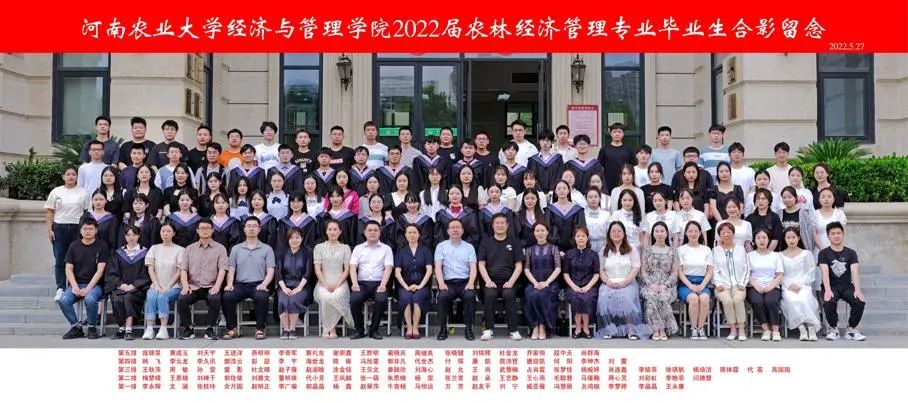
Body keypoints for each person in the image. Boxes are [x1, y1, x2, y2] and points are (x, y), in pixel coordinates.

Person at [222, 216, 276, 340]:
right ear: (244, 229)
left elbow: (270, 270)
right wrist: (229, 283)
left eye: (254, 226)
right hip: (240, 285)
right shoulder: (236, 249)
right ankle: (232, 329)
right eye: (249, 226)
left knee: (262, 296)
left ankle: (260, 329)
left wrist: (264, 284)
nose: (251, 229)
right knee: (227, 296)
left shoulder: (267, 249)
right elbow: (231, 269)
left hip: (259, 284)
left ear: (259, 229)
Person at [177, 218, 228, 340]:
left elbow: (223, 269)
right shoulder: (189, 248)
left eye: (207, 228)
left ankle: (210, 329)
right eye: (202, 228)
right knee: (182, 299)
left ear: (213, 230)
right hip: (193, 286)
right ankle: (189, 329)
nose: (205, 230)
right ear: (197, 231)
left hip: (211, 285)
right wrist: (185, 286)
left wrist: (217, 286)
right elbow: (183, 269)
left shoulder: (220, 248)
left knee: (215, 298)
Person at [596, 221, 649, 340]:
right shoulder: (604, 250)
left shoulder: (632, 249)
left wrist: (624, 282)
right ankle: (609, 328)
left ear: (624, 233)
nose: (616, 233)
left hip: (628, 282)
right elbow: (601, 269)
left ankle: (631, 329)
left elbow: (636, 267)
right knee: (604, 297)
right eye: (613, 231)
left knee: (625, 297)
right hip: (609, 282)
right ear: (609, 234)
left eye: (619, 231)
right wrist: (607, 281)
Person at [59, 218, 109, 340]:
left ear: (96, 230)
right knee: (63, 300)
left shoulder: (102, 246)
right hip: (77, 284)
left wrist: (88, 288)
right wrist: (74, 286)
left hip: (95, 286)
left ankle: (92, 327)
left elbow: (100, 270)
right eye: (85, 229)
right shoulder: (74, 246)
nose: (88, 231)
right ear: (80, 230)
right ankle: (76, 327)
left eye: (91, 228)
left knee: (90, 299)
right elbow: (68, 269)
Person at [477, 213, 525, 341]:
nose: (500, 225)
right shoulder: (485, 242)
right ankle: (489, 329)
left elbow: (519, 266)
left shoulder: (514, 242)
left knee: (509, 294)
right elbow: (481, 264)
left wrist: (511, 281)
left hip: (509, 281)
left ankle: (513, 330)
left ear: (507, 225)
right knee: (489, 295)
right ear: (492, 225)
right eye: (497, 223)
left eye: (502, 223)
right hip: (491, 282)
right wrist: (488, 281)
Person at [46, 165, 90, 300]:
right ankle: (60, 287)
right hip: (59, 227)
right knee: (60, 259)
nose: (71, 177)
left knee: (76, 258)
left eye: (73, 174)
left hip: (77, 228)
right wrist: (49, 230)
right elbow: (50, 212)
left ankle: (73, 286)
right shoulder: (56, 192)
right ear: (63, 176)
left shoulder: (83, 192)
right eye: (68, 174)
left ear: (77, 176)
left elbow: (86, 212)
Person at [818, 222, 866, 341]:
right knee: (829, 301)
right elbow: (824, 272)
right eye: (833, 233)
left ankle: (851, 329)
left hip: (847, 286)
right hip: (831, 286)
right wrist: (827, 290)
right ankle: (833, 328)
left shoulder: (851, 253)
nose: (836, 236)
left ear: (843, 234)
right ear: (828, 236)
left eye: (838, 233)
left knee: (859, 301)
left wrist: (857, 290)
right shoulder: (823, 253)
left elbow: (854, 272)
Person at [349, 221, 394, 340]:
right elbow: (352, 267)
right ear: (364, 232)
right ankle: (359, 330)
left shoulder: (386, 249)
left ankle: (374, 330)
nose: (372, 232)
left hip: (379, 283)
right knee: (354, 300)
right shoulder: (358, 248)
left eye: (375, 230)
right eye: (370, 230)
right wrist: (354, 283)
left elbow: (388, 268)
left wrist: (383, 285)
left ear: (380, 232)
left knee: (381, 299)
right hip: (362, 284)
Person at [434, 219, 478, 341]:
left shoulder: (469, 247)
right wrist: (441, 283)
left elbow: (473, 267)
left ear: (462, 230)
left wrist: (471, 283)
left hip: (465, 282)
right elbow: (438, 267)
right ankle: (443, 329)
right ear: (448, 231)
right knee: (443, 297)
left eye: (458, 227)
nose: (455, 230)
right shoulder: (441, 246)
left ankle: (469, 329)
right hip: (448, 283)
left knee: (470, 296)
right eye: (452, 227)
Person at [105, 225, 150, 340]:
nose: (131, 237)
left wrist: (134, 285)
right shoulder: (118, 253)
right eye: (128, 235)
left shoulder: (145, 253)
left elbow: (147, 273)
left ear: (139, 236)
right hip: (121, 287)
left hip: (138, 288)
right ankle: (121, 328)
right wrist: (121, 284)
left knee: (128, 297)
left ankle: (128, 329)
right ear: (125, 236)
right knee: (117, 297)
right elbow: (112, 272)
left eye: (134, 234)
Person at [142, 223, 184, 340]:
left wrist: (168, 286)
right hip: (156, 285)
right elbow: (151, 269)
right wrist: (156, 285)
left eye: (168, 231)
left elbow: (179, 271)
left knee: (162, 297)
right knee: (151, 296)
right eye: (163, 231)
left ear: (173, 233)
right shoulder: (154, 249)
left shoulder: (180, 250)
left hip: (174, 286)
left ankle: (163, 329)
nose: (165, 234)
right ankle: (149, 329)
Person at [313, 220, 355, 338]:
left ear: (340, 231)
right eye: (330, 229)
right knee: (326, 296)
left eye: (335, 229)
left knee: (336, 295)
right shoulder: (319, 247)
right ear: (326, 231)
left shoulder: (345, 248)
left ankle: (330, 328)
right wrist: (325, 285)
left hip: (340, 282)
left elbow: (347, 269)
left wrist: (337, 285)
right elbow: (318, 270)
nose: (332, 232)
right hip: (323, 282)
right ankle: (330, 328)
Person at [780, 227, 821, 342]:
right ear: (785, 239)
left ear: (798, 238)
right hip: (787, 286)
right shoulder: (780, 255)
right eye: (788, 238)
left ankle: (811, 327)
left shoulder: (806, 254)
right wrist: (788, 285)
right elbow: (779, 274)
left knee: (804, 298)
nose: (791, 240)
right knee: (791, 300)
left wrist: (799, 284)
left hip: (803, 285)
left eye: (793, 237)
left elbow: (810, 272)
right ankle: (801, 328)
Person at [640, 222, 679, 341]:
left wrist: (665, 285)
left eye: (662, 231)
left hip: (667, 285)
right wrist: (650, 284)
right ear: (653, 234)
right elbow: (643, 271)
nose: (659, 234)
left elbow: (675, 272)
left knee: (662, 297)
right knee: (651, 298)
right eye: (656, 231)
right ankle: (656, 330)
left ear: (667, 234)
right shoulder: (647, 250)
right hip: (650, 284)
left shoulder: (673, 250)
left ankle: (662, 329)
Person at [394, 223, 433, 339]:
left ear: (419, 234)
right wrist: (406, 287)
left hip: (423, 286)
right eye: (409, 232)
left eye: (414, 232)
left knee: (417, 297)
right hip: (405, 285)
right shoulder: (401, 251)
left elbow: (429, 270)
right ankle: (409, 327)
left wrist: (420, 286)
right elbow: (397, 272)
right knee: (406, 297)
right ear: (405, 235)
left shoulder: (426, 250)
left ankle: (415, 327)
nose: (412, 235)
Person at [712, 222, 750, 341]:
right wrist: (718, 284)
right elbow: (714, 269)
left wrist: (742, 283)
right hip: (723, 285)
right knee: (727, 301)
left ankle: (741, 329)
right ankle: (733, 329)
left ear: (733, 234)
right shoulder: (715, 251)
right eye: (723, 233)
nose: (726, 235)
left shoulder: (741, 249)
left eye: (728, 232)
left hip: (738, 285)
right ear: (719, 235)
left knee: (738, 299)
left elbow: (746, 268)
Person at [522, 222, 561, 340]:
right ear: (534, 233)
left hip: (550, 283)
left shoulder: (554, 249)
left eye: (542, 230)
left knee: (543, 295)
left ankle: (543, 326)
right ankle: (535, 326)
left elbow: (558, 268)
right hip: (534, 282)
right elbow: (526, 269)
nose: (540, 233)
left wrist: (547, 282)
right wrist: (535, 283)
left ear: (547, 232)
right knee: (530, 294)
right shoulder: (529, 250)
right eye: (537, 231)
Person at [677, 221, 713, 341]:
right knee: (693, 298)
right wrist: (690, 286)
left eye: (696, 231)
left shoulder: (706, 249)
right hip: (686, 283)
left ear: (700, 233)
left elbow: (709, 271)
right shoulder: (681, 250)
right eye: (690, 231)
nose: (693, 234)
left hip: (702, 282)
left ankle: (701, 328)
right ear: (686, 233)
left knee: (704, 298)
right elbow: (680, 272)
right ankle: (693, 328)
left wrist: (703, 285)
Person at [747, 229, 785, 341]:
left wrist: (770, 287)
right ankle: (766, 330)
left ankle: (775, 330)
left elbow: (779, 275)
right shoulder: (749, 255)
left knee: (770, 301)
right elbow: (747, 275)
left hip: (772, 285)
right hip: (754, 286)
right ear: (754, 240)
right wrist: (757, 286)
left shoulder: (775, 255)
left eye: (764, 238)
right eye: (758, 238)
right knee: (757, 301)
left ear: (769, 240)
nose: (761, 240)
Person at [276, 228, 314, 340]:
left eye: (297, 237)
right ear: (288, 239)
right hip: (285, 285)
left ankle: (292, 329)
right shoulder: (282, 253)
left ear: (302, 239)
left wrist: (299, 288)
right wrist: (283, 288)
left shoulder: (307, 253)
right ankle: (286, 329)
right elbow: (278, 272)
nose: (294, 240)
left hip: (302, 285)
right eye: (291, 238)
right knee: (282, 300)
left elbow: (307, 273)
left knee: (293, 299)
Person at [563, 227, 600, 339]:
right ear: (574, 238)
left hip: (590, 286)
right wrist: (574, 287)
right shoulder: (569, 254)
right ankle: (578, 327)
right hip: (572, 286)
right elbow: (565, 273)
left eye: (583, 236)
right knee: (576, 297)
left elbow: (596, 274)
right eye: (578, 236)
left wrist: (588, 287)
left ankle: (586, 327)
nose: (581, 238)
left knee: (587, 298)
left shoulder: (594, 254)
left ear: (587, 238)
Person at [546, 181, 587, 252]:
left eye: (564, 188)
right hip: (555, 249)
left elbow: (581, 229)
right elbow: (548, 231)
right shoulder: (550, 210)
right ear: (555, 191)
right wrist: (556, 250)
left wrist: (575, 248)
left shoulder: (578, 210)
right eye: (559, 188)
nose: (562, 190)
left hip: (575, 249)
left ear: (568, 190)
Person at [596, 122, 636, 193]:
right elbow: (599, 167)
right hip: (608, 184)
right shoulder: (604, 149)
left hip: (625, 184)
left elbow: (633, 167)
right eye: (614, 132)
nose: (617, 134)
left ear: (623, 134)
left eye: (619, 132)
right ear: (611, 134)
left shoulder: (628, 150)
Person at [779, 186, 816, 253]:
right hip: (784, 249)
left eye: (790, 197)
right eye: (784, 197)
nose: (787, 200)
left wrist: (810, 248)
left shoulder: (803, 213)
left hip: (801, 248)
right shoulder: (779, 213)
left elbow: (809, 232)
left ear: (795, 197)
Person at [527, 129, 564, 195]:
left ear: (551, 142)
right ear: (539, 141)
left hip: (555, 193)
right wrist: (540, 193)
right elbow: (532, 178)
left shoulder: (558, 159)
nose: (545, 143)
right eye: (543, 140)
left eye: (548, 140)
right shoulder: (532, 160)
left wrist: (551, 191)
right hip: (537, 194)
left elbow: (559, 176)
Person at [812, 187, 847, 255]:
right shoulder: (814, 214)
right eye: (823, 197)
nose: (826, 199)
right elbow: (814, 234)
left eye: (829, 197)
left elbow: (841, 233)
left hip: (836, 249)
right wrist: (823, 249)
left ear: (834, 199)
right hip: (819, 249)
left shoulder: (839, 214)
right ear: (819, 199)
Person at [584, 187, 611, 253]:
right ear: (586, 199)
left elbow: (610, 232)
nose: (593, 199)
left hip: (603, 245)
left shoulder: (606, 214)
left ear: (600, 198)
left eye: (596, 197)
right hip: (587, 244)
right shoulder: (582, 214)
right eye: (590, 197)